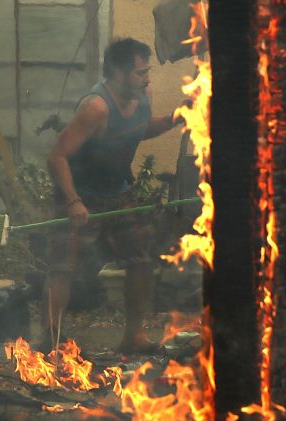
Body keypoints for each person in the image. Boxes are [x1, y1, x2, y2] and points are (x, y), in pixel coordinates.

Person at [42, 38, 182, 354]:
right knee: (63, 266)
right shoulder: (96, 108)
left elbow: (142, 129)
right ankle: (51, 341)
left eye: (147, 71)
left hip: (118, 193)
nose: (148, 79)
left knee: (141, 259)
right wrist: (73, 201)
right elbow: (57, 156)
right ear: (119, 74)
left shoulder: (142, 95)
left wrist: (177, 117)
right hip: (80, 194)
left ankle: (133, 336)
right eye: (141, 72)